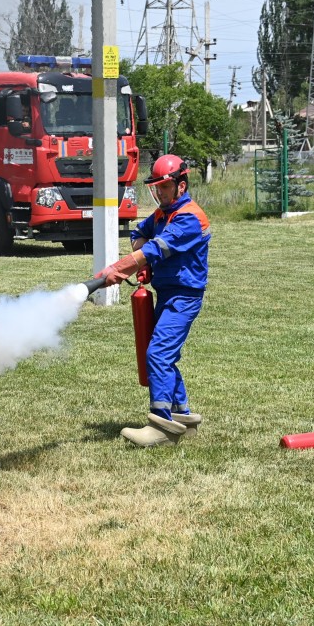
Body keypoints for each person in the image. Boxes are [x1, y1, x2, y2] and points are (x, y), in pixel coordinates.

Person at [96, 154, 210, 448]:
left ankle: (161, 426)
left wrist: (119, 269)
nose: (159, 193)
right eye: (156, 187)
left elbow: (156, 248)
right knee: (165, 356)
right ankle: (182, 417)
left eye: (165, 187)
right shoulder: (161, 215)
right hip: (167, 293)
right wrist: (144, 264)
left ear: (181, 186)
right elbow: (139, 233)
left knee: (158, 354)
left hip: (184, 297)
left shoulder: (188, 218)